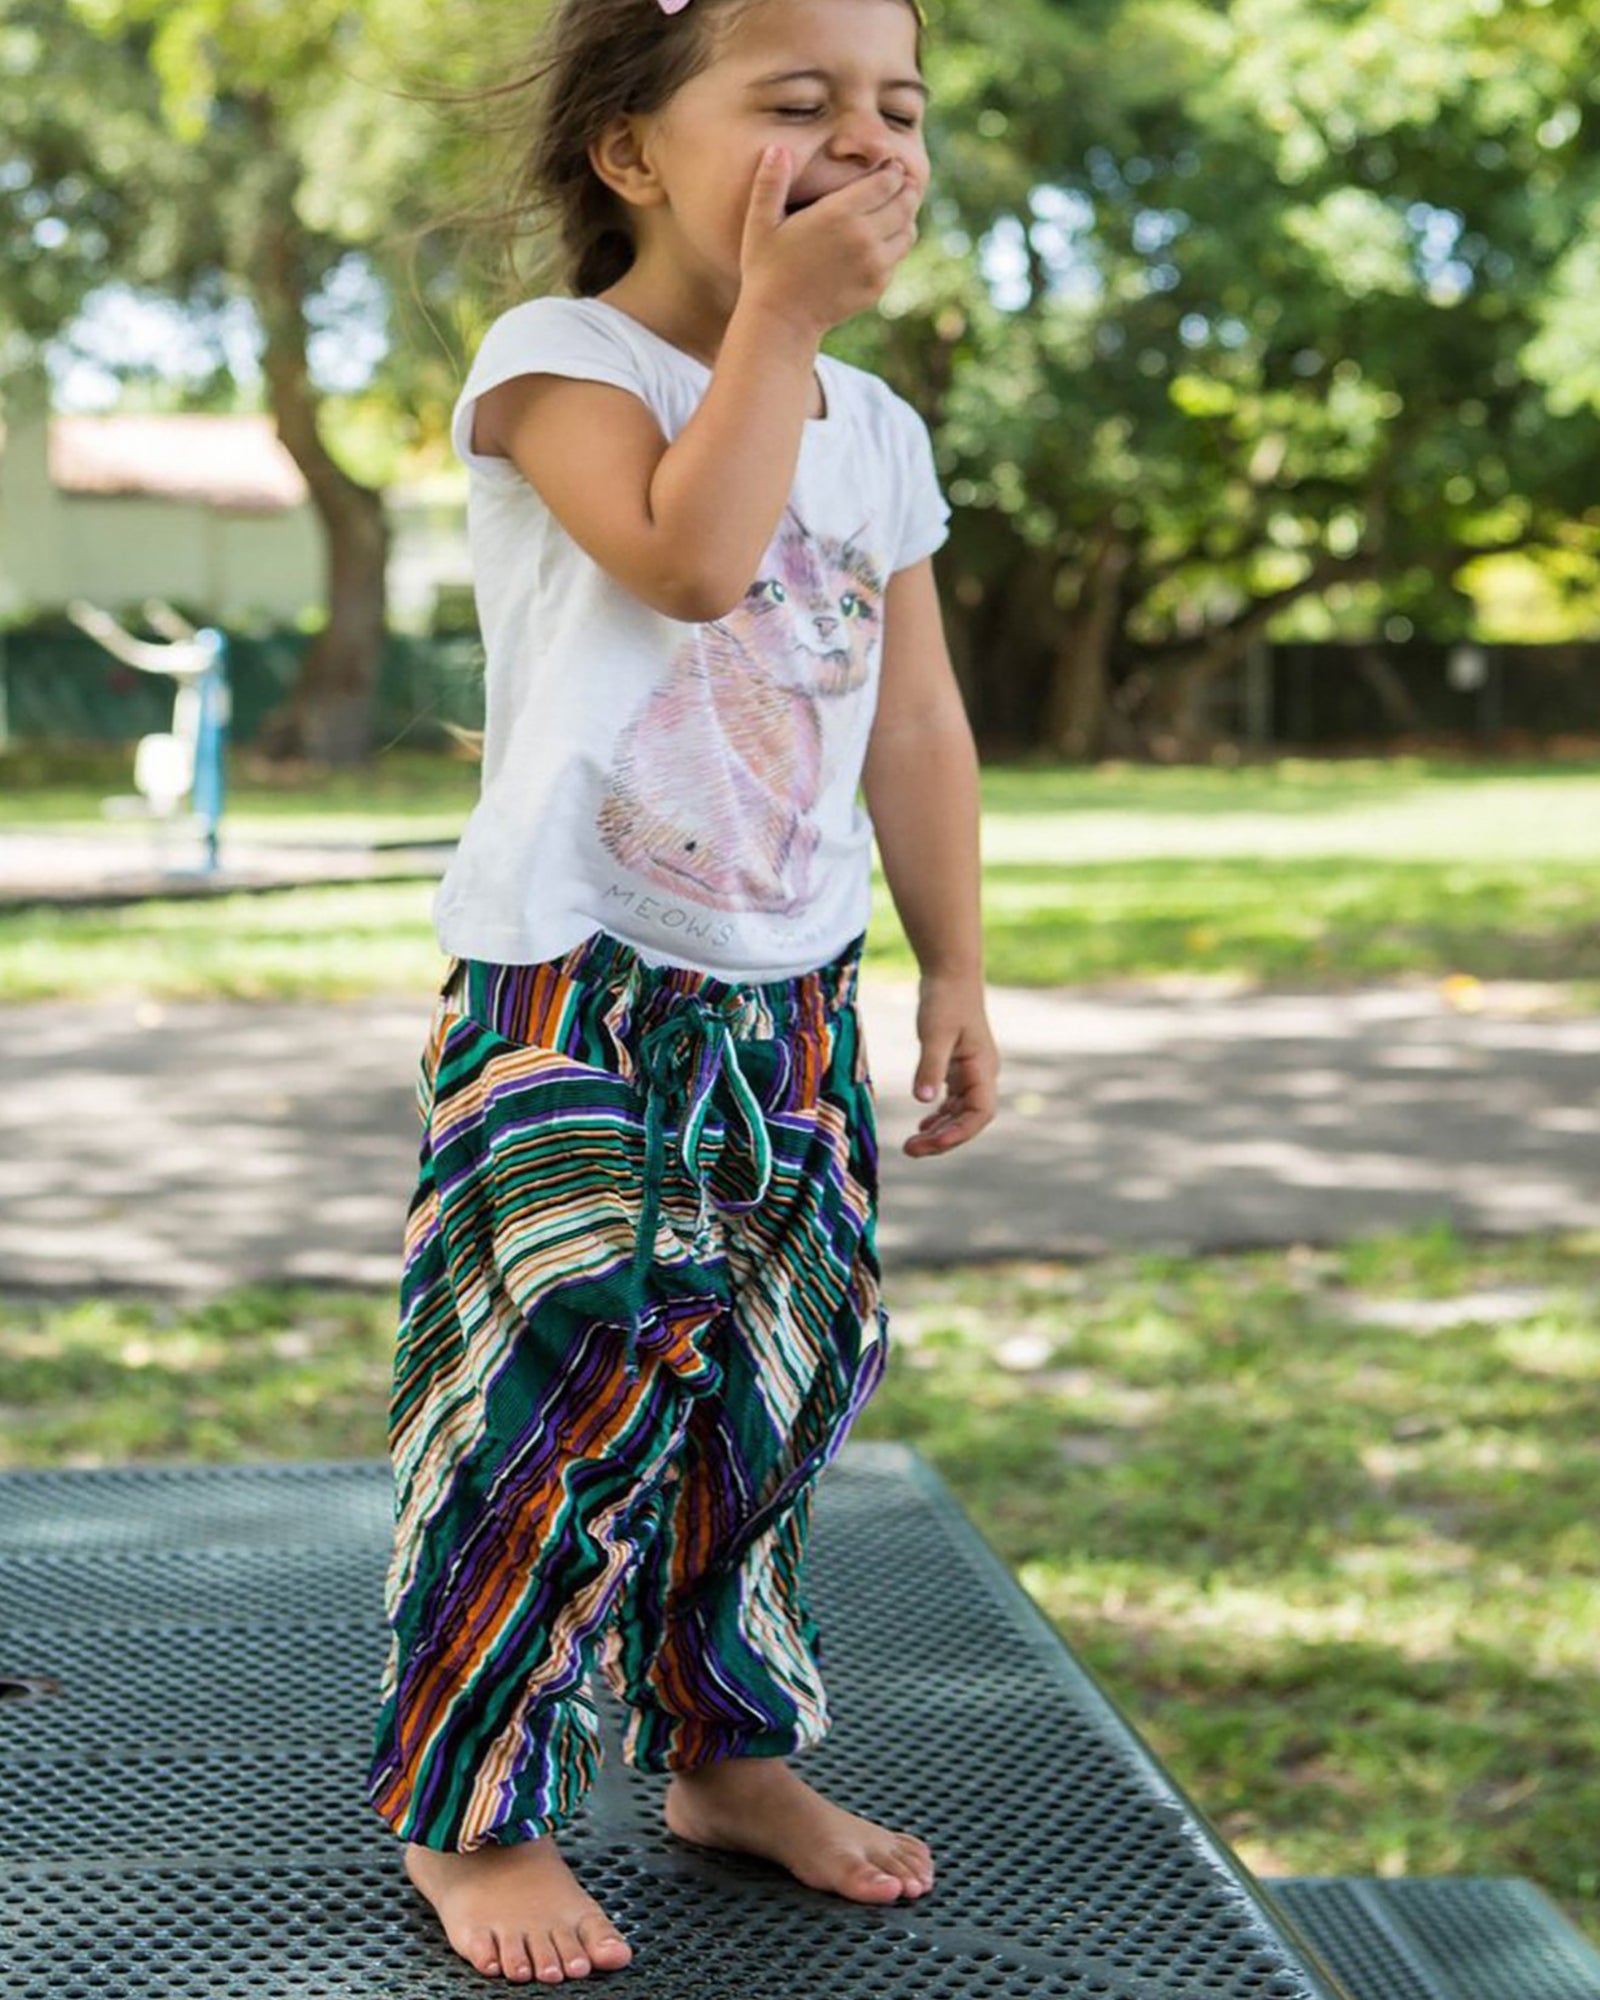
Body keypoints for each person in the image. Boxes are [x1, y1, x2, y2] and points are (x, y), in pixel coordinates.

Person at [367, 0, 1000, 1982]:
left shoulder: (876, 431)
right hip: (577, 984)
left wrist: (955, 959)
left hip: (789, 995)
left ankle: (725, 1750)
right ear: (632, 150)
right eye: (793, 102)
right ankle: (465, 1809)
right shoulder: (557, 365)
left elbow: (914, 719)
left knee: (770, 1394)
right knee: (546, 1388)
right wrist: (779, 328)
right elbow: (690, 561)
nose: (860, 143)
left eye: (892, 107)